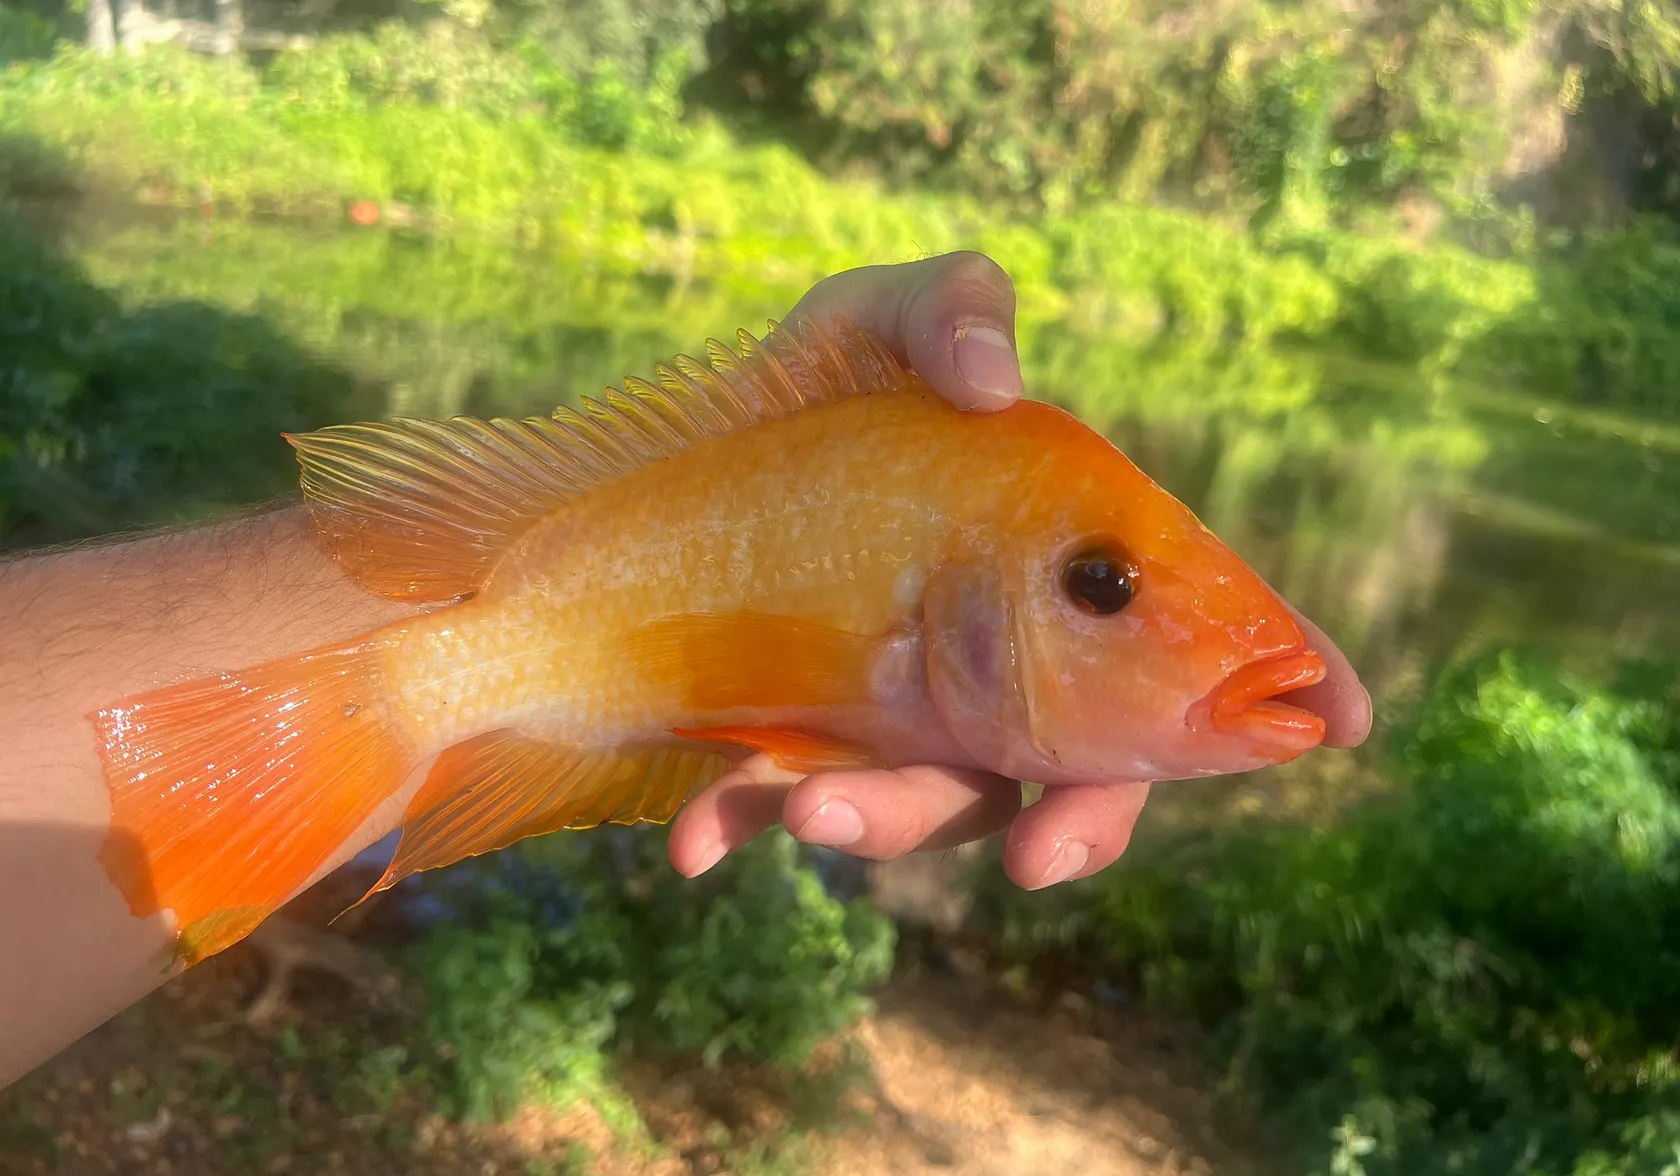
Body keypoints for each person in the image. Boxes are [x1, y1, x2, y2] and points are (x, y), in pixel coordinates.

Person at [0, 251, 1371, 1087]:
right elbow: (691, 633)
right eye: (1107, 586)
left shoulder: (979, 533)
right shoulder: (944, 511)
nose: (1126, 603)